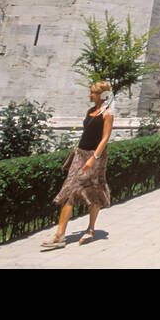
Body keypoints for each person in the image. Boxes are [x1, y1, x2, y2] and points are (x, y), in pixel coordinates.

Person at [42, 81, 113, 249]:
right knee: (69, 189)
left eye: (93, 93)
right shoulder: (90, 111)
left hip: (95, 157)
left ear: (102, 95)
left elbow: (105, 138)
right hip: (80, 154)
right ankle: (60, 235)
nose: (90, 95)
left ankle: (90, 229)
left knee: (94, 190)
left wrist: (93, 158)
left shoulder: (107, 113)